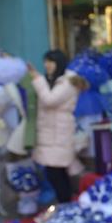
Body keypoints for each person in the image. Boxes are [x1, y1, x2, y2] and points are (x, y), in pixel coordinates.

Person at [30, 50, 87, 204]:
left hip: (59, 133)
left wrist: (38, 80)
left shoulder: (67, 82)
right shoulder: (56, 80)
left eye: (50, 61)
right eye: (45, 61)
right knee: (55, 171)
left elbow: (50, 100)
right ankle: (66, 203)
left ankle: (66, 203)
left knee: (56, 172)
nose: (46, 65)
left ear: (59, 63)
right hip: (52, 132)